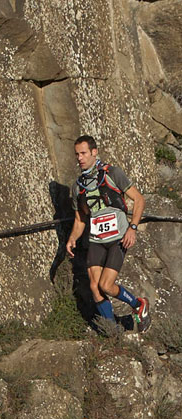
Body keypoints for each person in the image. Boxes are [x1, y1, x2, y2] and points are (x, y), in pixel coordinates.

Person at [66, 135, 150, 332]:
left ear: (94, 152)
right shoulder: (77, 187)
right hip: (96, 239)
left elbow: (139, 199)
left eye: (84, 153)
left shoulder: (112, 173)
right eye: (77, 154)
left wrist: (133, 227)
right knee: (94, 286)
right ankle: (112, 332)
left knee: (106, 285)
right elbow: (80, 220)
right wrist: (71, 238)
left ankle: (138, 304)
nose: (79, 158)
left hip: (118, 238)